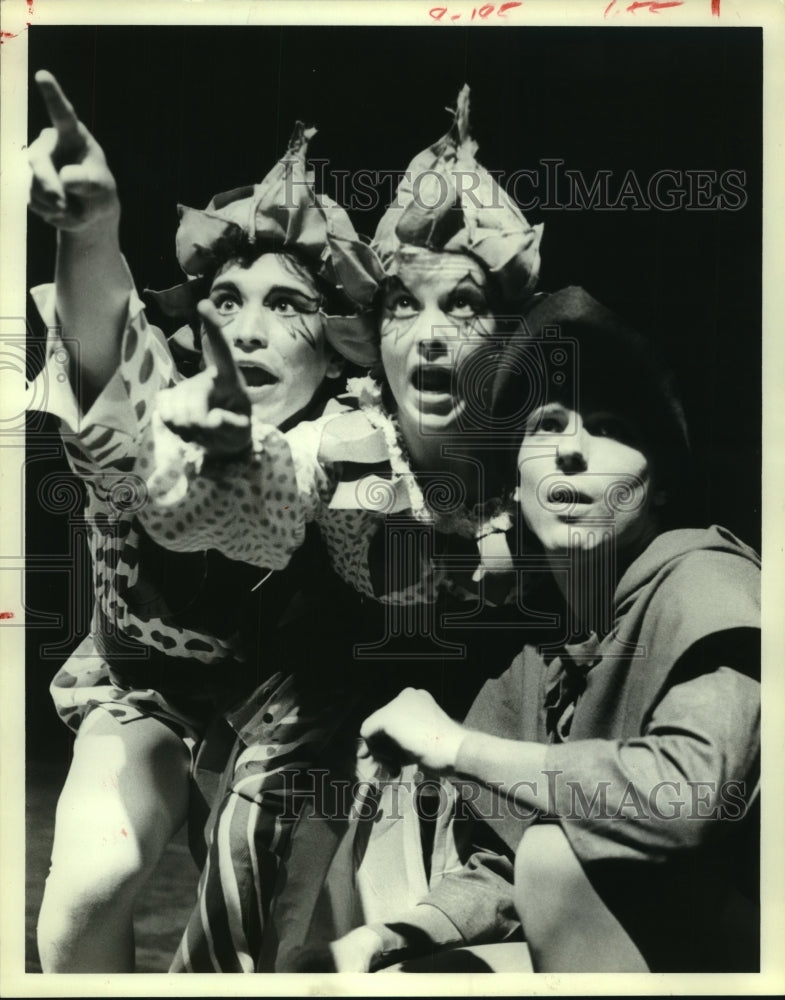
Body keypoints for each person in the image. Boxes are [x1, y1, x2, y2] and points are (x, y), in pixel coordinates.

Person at [135, 86, 546, 972]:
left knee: (434, 939)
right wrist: (226, 456)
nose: (428, 337)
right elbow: (253, 516)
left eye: (461, 306)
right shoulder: (342, 437)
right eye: (403, 305)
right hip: (340, 707)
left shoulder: (542, 453)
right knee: (264, 852)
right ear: (370, 328)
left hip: (494, 716)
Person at [26, 70, 380, 972]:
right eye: (228, 300)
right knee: (85, 892)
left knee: (327, 928)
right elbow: (101, 332)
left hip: (298, 710)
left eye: (287, 304)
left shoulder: (360, 439)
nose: (250, 328)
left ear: (336, 344)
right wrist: (92, 231)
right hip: (152, 688)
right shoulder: (157, 415)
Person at [358, 285, 761, 972]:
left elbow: (685, 795)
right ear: (514, 481)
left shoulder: (709, 581)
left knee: (553, 856)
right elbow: (500, 864)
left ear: (658, 483)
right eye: (546, 426)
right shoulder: (538, 645)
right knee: (413, 964)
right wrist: (390, 937)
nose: (572, 451)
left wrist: (459, 747)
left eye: (610, 429)